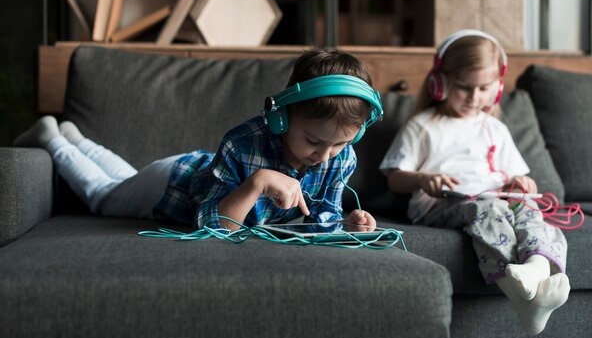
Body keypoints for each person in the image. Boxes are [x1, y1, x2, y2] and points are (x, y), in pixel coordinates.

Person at [14, 47, 382, 232]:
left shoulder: (340, 155)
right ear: (281, 117)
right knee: (104, 196)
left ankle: (79, 140)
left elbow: (321, 217)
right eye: (314, 141)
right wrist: (257, 183)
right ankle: (52, 137)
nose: (325, 155)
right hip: (173, 183)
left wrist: (346, 221)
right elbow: (213, 228)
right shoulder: (242, 143)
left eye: (339, 144)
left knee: (122, 179)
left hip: (190, 171)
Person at [379, 29, 569, 335]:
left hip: (493, 195)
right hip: (442, 203)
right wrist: (423, 179)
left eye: (483, 89)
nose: (474, 97)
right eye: (464, 87)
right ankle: (523, 291)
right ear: (439, 83)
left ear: (496, 89)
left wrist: (522, 181)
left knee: (530, 209)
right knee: (489, 209)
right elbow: (394, 180)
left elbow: (516, 175)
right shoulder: (422, 126)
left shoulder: (495, 128)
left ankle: (536, 269)